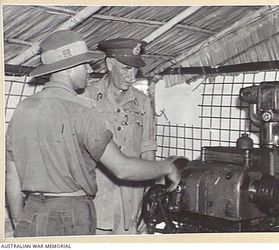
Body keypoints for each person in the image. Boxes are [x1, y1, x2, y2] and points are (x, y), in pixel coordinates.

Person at [5, 30, 180, 237]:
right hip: (82, 209)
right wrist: (167, 167)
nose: (89, 69)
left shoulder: (23, 108)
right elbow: (122, 167)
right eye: (83, 64)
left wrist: (19, 223)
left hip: (40, 211)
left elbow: (12, 176)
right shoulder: (84, 105)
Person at [82, 38, 157, 235]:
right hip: (97, 200)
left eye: (135, 70)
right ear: (109, 64)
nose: (132, 76)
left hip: (132, 201)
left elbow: (147, 152)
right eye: (125, 69)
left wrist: (149, 204)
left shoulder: (142, 102)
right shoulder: (87, 99)